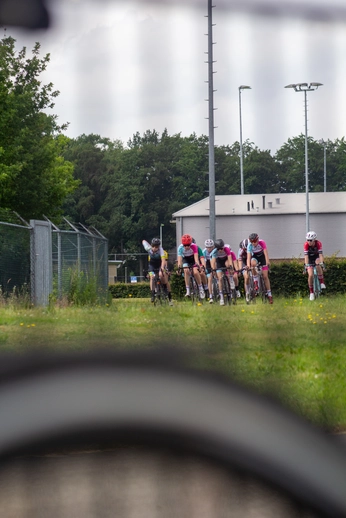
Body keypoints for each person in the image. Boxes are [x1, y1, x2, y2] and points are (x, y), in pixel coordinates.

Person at [142, 237, 173, 305]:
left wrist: (162, 268)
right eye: (154, 247)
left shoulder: (160, 250)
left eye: (157, 247)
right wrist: (145, 243)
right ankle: (152, 293)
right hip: (152, 265)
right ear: (151, 246)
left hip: (160, 264)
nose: (155, 248)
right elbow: (143, 241)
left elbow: (163, 260)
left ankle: (165, 288)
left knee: (161, 275)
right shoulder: (148, 248)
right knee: (152, 277)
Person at [246, 233, 273, 304]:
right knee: (252, 264)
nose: (253, 243)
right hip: (255, 257)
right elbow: (248, 257)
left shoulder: (262, 242)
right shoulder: (249, 245)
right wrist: (248, 265)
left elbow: (266, 253)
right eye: (252, 242)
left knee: (265, 276)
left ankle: (269, 294)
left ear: (257, 240)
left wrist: (267, 262)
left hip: (263, 257)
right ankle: (256, 281)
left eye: (255, 241)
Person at [177, 234, 205, 299]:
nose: (186, 247)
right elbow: (180, 259)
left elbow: (196, 258)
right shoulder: (180, 248)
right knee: (186, 270)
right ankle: (188, 290)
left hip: (193, 259)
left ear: (191, 243)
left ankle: (201, 288)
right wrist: (179, 267)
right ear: (182, 244)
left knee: (195, 272)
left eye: (188, 245)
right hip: (186, 259)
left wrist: (197, 265)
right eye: (185, 245)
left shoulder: (194, 246)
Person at [210, 239, 233, 306]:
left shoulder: (227, 249)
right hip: (219, 261)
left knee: (228, 264)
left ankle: (230, 279)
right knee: (220, 278)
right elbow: (213, 262)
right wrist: (213, 269)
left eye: (221, 248)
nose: (220, 250)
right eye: (219, 249)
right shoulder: (214, 251)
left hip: (226, 260)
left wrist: (231, 267)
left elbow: (229, 259)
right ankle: (221, 298)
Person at [304, 231, 326, 301]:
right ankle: (311, 293)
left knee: (318, 264)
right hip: (310, 259)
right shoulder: (306, 245)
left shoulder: (318, 243)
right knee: (310, 275)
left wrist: (322, 263)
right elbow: (306, 257)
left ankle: (322, 282)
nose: (308, 242)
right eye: (307, 240)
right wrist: (306, 265)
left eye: (310, 240)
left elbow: (320, 255)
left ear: (314, 240)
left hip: (316, 257)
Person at [238, 238, 251, 303]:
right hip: (244, 262)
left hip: (251, 260)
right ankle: (247, 293)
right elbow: (240, 261)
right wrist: (240, 269)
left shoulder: (252, 248)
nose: (246, 250)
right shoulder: (241, 251)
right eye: (245, 249)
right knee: (246, 277)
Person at [202, 239, 215, 303]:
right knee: (209, 278)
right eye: (208, 247)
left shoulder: (215, 251)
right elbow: (203, 261)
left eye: (210, 247)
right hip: (208, 264)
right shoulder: (204, 251)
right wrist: (204, 268)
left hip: (215, 262)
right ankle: (211, 296)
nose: (209, 249)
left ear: (213, 247)